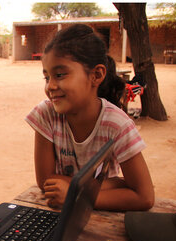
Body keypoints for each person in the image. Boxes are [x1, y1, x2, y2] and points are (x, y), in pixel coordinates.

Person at [25, 24, 154, 211]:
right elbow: (46, 180)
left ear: (96, 75)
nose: (50, 86)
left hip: (100, 219)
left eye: (60, 75)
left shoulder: (117, 125)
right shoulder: (47, 114)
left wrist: (76, 196)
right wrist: (112, 184)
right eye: (47, 77)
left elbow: (144, 196)